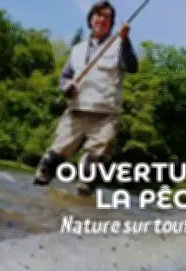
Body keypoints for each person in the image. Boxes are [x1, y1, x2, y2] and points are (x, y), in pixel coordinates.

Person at [33, 0, 139, 195]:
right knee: (52, 159)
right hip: (76, 111)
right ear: (90, 19)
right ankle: (35, 197)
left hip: (106, 115)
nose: (102, 19)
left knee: (92, 168)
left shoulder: (119, 45)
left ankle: (80, 212)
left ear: (112, 23)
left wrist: (126, 40)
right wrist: (66, 87)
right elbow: (65, 76)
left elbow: (132, 67)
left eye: (107, 17)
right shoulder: (77, 49)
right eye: (98, 15)